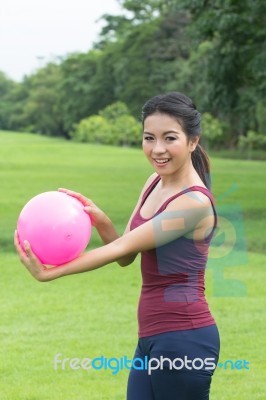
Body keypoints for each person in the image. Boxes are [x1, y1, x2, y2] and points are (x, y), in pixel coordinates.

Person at [15, 91, 220, 400]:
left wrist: (52, 273)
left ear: (193, 141)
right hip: (152, 337)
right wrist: (102, 223)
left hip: (184, 337)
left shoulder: (193, 203)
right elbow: (126, 255)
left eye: (170, 138)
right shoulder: (154, 182)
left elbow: (117, 250)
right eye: (149, 138)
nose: (158, 149)